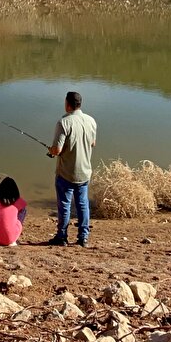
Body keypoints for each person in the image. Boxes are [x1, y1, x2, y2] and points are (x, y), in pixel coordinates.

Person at [47, 91, 96, 247]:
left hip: (66, 173)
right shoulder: (91, 121)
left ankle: (62, 237)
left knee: (64, 205)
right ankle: (83, 237)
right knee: (83, 205)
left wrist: (51, 150)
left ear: (67, 104)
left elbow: (57, 150)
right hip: (85, 172)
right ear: (80, 104)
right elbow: (93, 143)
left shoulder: (64, 122)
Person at [0, 176, 27, 246]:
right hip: (10, 238)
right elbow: (24, 205)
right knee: (23, 210)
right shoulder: (17, 201)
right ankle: (14, 236)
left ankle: (6, 233)